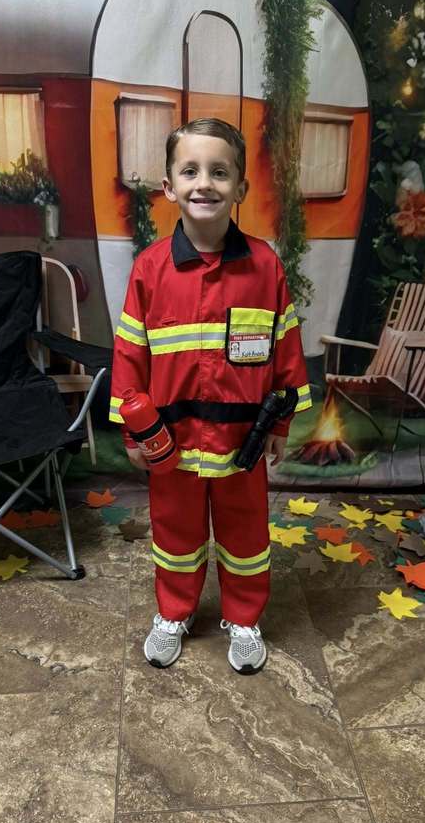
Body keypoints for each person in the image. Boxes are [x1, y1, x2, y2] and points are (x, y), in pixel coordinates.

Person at [109, 117, 311, 674]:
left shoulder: (265, 266)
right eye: (190, 171)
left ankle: (244, 619)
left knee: (246, 535)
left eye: (220, 172)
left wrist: (280, 426)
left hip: (241, 440)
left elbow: (286, 351)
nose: (206, 183)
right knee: (175, 533)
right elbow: (129, 355)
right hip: (168, 442)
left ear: (241, 188)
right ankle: (173, 612)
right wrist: (133, 430)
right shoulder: (150, 270)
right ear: (169, 187)